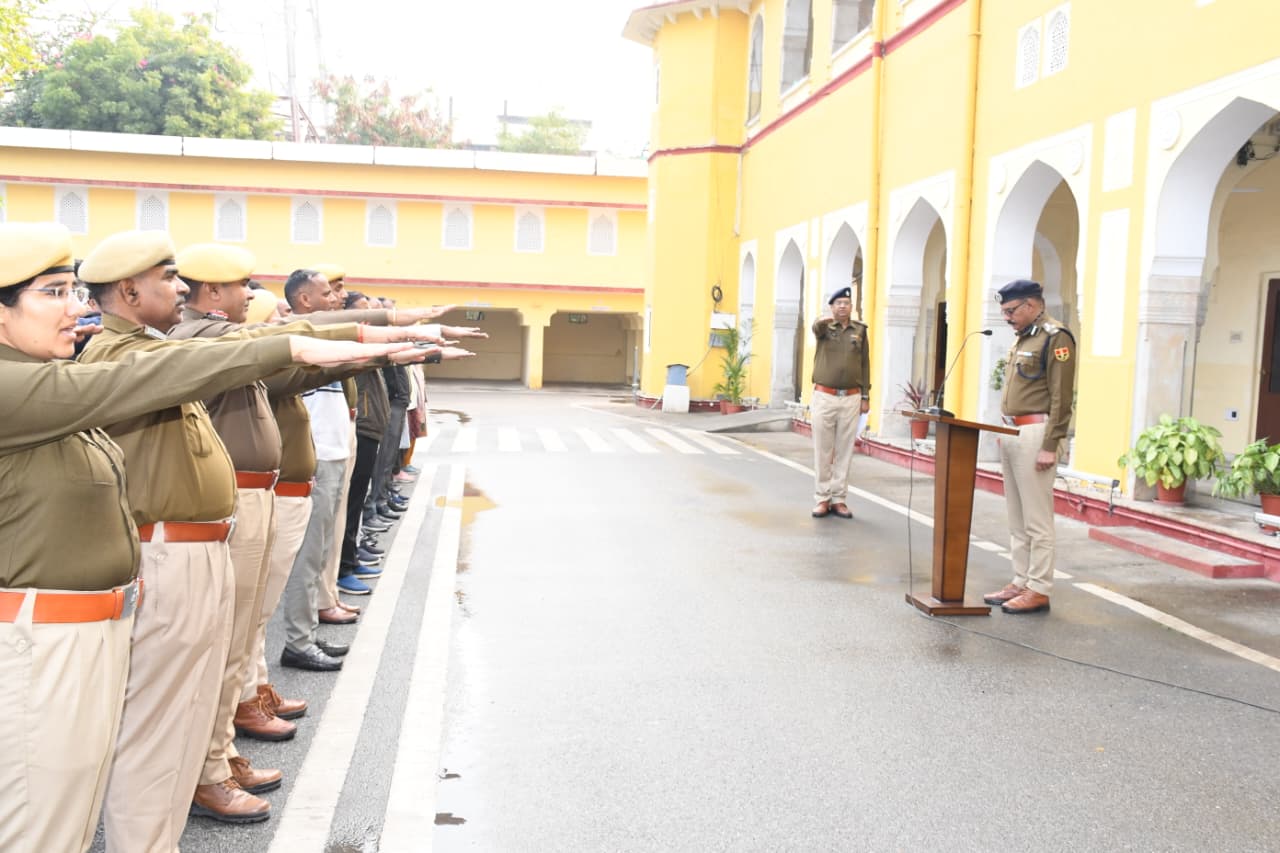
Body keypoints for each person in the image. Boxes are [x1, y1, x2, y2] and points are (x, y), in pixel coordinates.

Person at [75, 230, 418, 846]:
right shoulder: (123, 353)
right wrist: (375, 329)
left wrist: (376, 336)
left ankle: (191, 793)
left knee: (193, 696)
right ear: (128, 290)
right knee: (160, 717)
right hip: (166, 547)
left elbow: (261, 347)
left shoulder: (153, 346)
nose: (180, 290)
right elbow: (256, 345)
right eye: (167, 279)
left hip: (202, 538)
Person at [983, 279, 1076, 615]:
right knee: (1017, 517)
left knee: (1037, 519)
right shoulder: (1024, 337)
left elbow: (1061, 397)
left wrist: (1051, 444)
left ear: (1032, 305)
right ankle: (1020, 580)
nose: (1007, 317)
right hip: (1013, 432)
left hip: (1037, 433)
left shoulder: (1055, 337)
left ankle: (1039, 587)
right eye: (1004, 312)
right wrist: (1004, 428)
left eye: (1011, 311)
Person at [809, 285, 871, 519]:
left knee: (845, 450)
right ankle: (822, 498)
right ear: (832, 307)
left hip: (851, 398)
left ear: (851, 306)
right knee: (823, 450)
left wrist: (865, 396)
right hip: (824, 396)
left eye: (846, 303)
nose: (843, 306)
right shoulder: (825, 328)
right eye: (838, 303)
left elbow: (865, 364)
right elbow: (816, 328)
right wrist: (823, 320)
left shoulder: (860, 331)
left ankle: (839, 499)